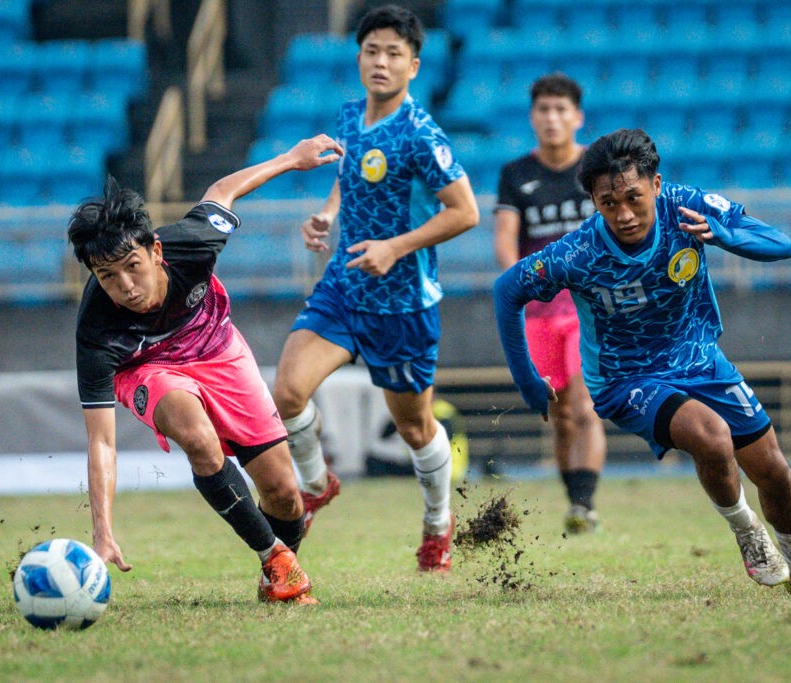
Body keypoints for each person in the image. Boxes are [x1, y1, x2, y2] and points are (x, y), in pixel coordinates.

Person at [493, 128, 791, 595]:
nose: (623, 214)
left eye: (633, 198)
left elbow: (781, 244)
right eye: (607, 203)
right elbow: (507, 290)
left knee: (774, 471)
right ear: (594, 202)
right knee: (712, 437)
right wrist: (527, 380)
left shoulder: (686, 207)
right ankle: (746, 531)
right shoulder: (578, 252)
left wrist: (725, 236)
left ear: (656, 185)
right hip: (625, 378)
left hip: (700, 360)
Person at [68, 134, 343, 605]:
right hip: (149, 369)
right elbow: (101, 440)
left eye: (132, 266)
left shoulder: (193, 244)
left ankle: (277, 568)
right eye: (107, 276)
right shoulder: (96, 331)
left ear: (156, 251)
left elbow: (222, 191)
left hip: (217, 348)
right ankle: (276, 561)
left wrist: (292, 160)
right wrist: (103, 530)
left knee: (283, 496)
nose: (126, 286)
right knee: (196, 434)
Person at [270, 4, 480, 572]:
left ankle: (438, 523)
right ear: (359, 57)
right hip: (344, 285)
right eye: (371, 50)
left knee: (414, 427)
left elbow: (465, 212)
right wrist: (328, 214)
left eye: (393, 53)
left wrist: (395, 247)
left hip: (403, 302)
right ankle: (315, 486)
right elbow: (348, 173)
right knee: (287, 392)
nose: (380, 62)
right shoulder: (347, 116)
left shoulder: (420, 134)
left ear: (413, 65)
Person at [494, 73, 607, 534]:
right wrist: (520, 286)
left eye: (561, 109)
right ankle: (575, 501)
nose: (552, 118)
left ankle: (586, 505)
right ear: (532, 117)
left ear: (577, 117)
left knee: (583, 405)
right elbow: (505, 242)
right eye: (543, 109)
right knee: (558, 412)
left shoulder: (597, 169)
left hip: (588, 307)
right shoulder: (515, 174)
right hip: (539, 310)